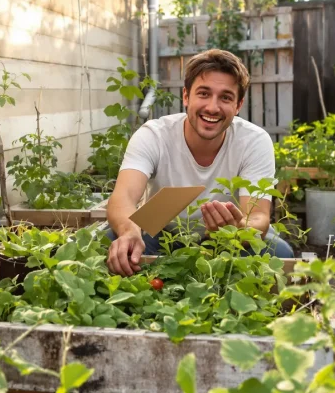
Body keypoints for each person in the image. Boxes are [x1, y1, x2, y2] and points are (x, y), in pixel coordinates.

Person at [105, 49, 294, 276]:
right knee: (112, 245)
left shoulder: (254, 141)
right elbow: (123, 197)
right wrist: (129, 231)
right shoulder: (154, 135)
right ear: (186, 96)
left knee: (280, 254)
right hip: (162, 234)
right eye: (204, 94)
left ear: (238, 105)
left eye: (225, 97)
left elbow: (259, 217)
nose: (212, 107)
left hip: (227, 240)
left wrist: (237, 229)